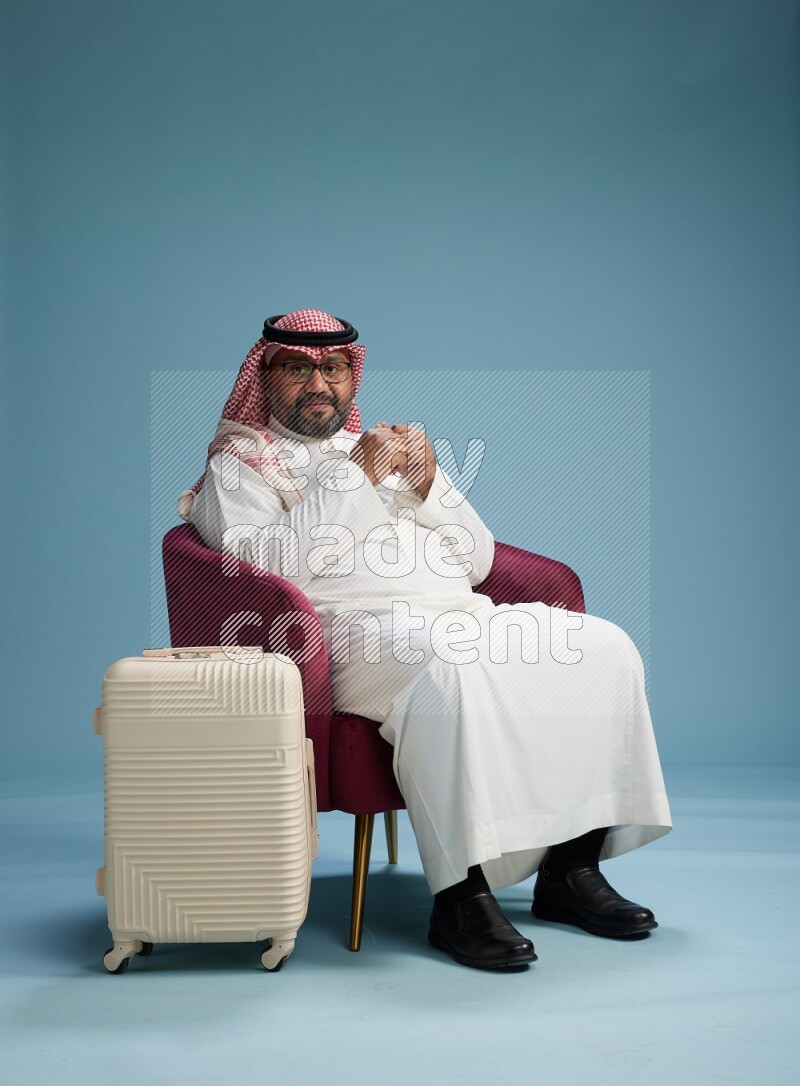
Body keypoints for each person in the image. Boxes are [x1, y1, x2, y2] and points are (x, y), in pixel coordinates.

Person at [178, 308, 672, 971]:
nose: (317, 383)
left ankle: (570, 870)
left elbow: (476, 561)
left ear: (352, 377)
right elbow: (266, 571)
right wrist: (354, 476)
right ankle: (460, 897)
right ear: (266, 376)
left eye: (332, 369)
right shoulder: (240, 465)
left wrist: (429, 483)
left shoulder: (381, 451)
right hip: (340, 636)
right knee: (451, 670)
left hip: (453, 610)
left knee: (602, 648)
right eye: (298, 368)